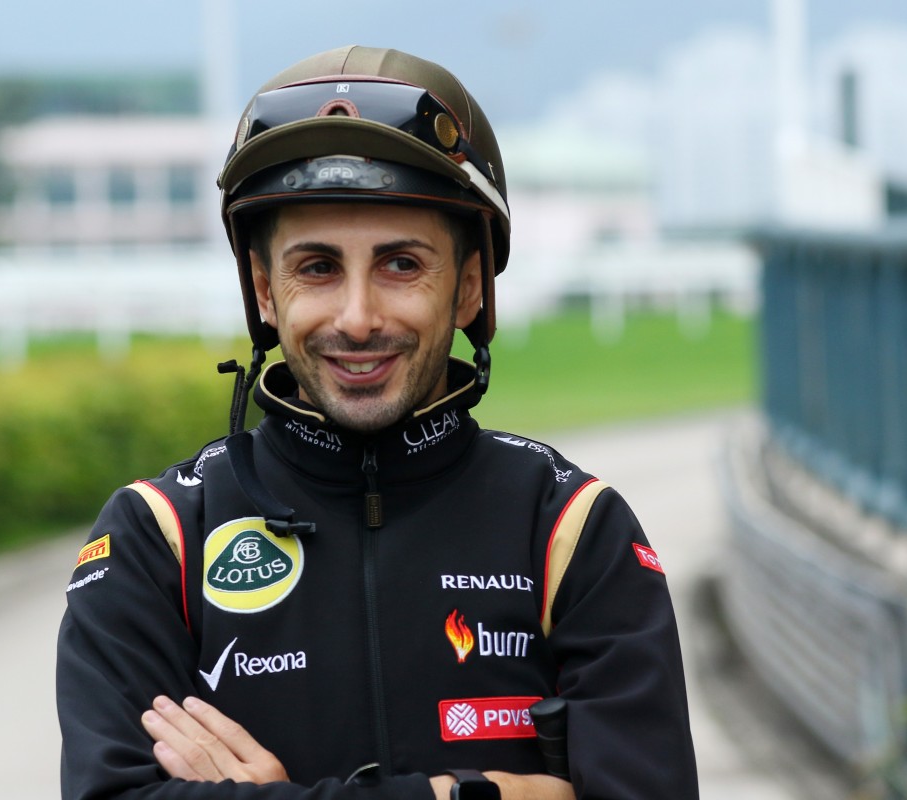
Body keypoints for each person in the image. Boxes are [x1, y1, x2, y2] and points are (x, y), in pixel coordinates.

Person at [56, 44, 699, 799]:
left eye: (400, 265)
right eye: (318, 268)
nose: (357, 320)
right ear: (265, 292)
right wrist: (468, 793)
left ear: (467, 291)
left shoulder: (573, 530)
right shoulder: (155, 539)